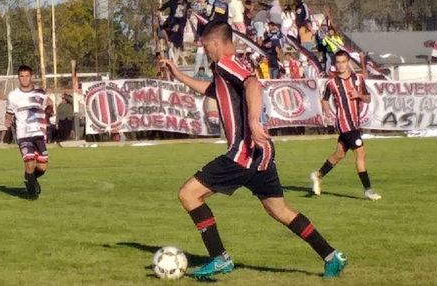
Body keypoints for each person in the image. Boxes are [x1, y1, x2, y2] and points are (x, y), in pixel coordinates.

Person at [159, 21, 346, 279]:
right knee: (279, 210)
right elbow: (212, 90)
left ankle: (219, 258)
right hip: (262, 154)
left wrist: (253, 120)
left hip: (243, 153)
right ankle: (331, 256)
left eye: (205, 46)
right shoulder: (224, 70)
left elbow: (253, 85)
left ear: (215, 43)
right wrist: (179, 75)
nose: (206, 52)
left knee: (189, 194)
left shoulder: (226, 63)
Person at [311, 50, 381, 201]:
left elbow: (368, 98)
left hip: (354, 124)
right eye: (338, 62)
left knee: (339, 155)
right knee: (361, 154)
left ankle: (318, 175)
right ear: (335, 64)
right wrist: (328, 113)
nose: (341, 65)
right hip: (345, 124)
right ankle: (368, 190)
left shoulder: (358, 79)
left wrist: (359, 96)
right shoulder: (332, 83)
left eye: (343, 62)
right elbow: (324, 99)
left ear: (348, 62)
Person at [5, 64, 51, 200]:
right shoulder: (13, 96)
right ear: (18, 78)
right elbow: (9, 113)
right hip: (23, 135)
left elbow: (48, 106)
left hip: (39, 134)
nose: (24, 79)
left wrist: (49, 111)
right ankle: (31, 194)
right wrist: (7, 120)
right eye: (21, 76)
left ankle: (30, 178)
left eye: (27, 76)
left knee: (42, 167)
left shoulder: (40, 93)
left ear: (31, 77)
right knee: (29, 162)